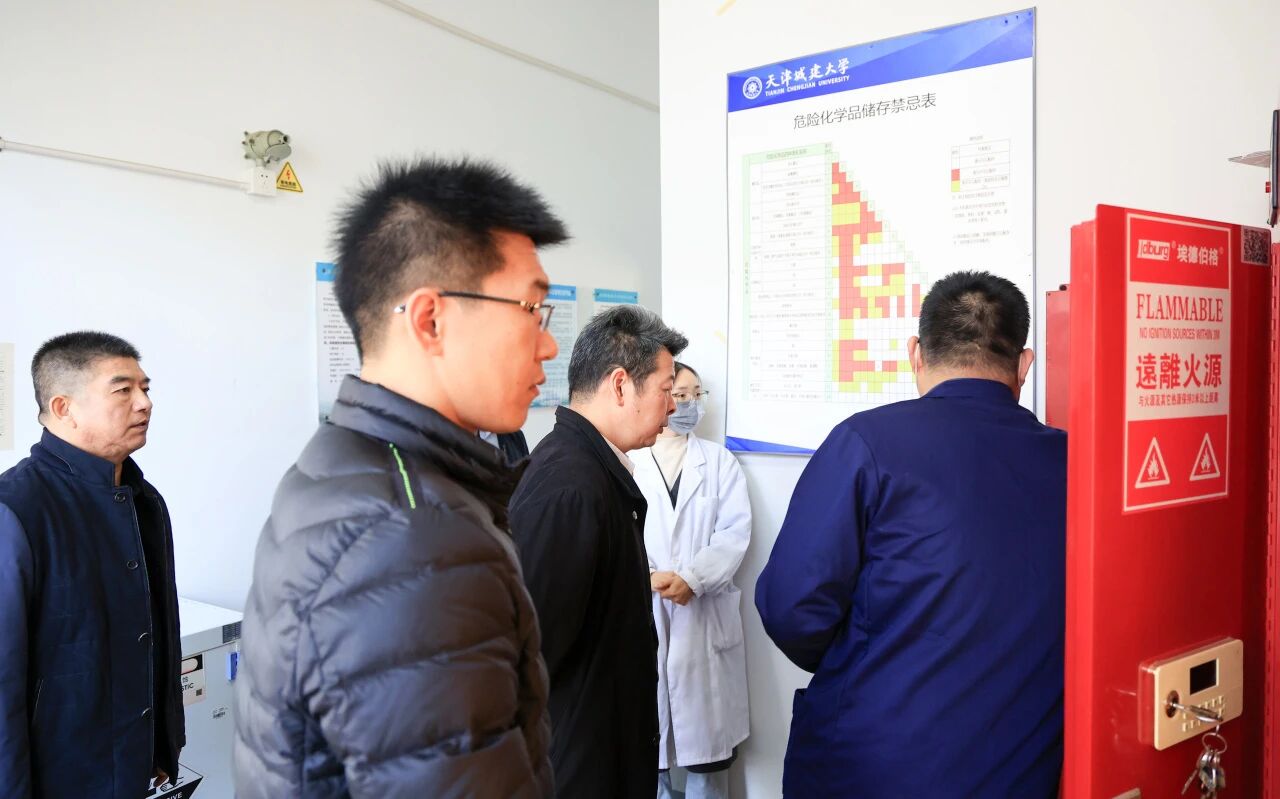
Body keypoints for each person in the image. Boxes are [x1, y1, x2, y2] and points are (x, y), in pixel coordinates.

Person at [233, 157, 566, 798]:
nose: (548, 344)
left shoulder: (339, 462)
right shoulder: (416, 535)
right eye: (532, 307)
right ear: (429, 320)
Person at [756, 271, 1066, 797]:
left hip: (871, 767)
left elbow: (790, 606)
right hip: (1019, 769)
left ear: (915, 354)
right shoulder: (1070, 459)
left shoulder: (866, 443)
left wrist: (869, 655)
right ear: (1023, 364)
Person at [509, 305, 688, 798]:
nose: (673, 407)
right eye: (666, 390)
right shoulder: (570, 487)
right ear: (620, 386)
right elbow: (534, 656)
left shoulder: (593, 471)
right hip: (577, 769)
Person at [0, 332, 184, 798]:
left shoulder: (143, 500)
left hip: (134, 768)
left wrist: (163, 745)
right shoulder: (16, 509)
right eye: (123, 390)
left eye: (145, 388)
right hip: (60, 778)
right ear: (64, 408)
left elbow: (156, 635)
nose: (144, 403)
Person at [629, 362, 751, 799]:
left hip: (703, 618)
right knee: (650, 759)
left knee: (707, 764)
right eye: (680, 394)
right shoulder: (629, 460)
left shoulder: (719, 462)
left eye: (697, 394)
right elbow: (616, 531)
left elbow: (734, 535)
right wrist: (646, 576)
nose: (690, 404)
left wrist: (693, 579)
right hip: (647, 610)